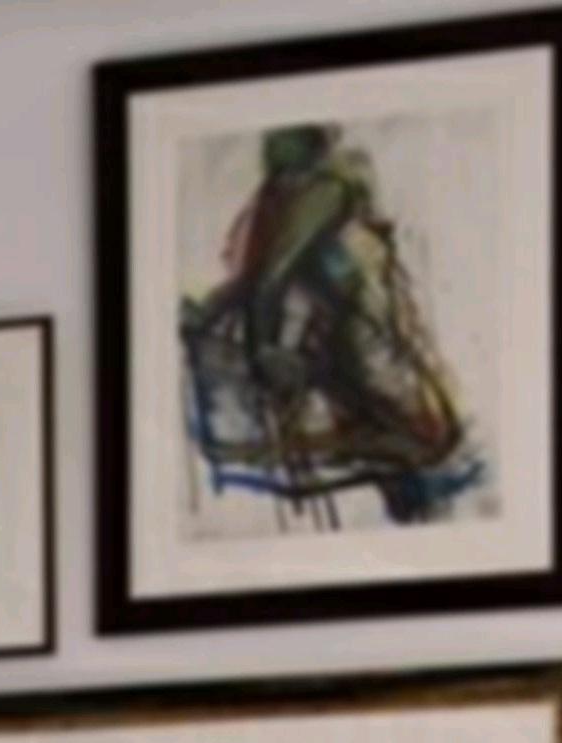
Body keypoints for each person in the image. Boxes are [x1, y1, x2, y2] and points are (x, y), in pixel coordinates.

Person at [180, 122, 475, 525]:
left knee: (413, 426)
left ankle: (413, 494)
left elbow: (271, 278)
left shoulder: (325, 193)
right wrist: (219, 316)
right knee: (405, 429)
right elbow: (258, 278)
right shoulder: (291, 198)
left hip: (362, 355)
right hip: (347, 360)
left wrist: (262, 344)